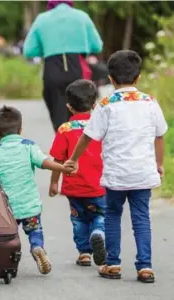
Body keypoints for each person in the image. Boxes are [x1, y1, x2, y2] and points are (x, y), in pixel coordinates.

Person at [64, 50, 168, 283]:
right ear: (138, 78)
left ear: (110, 79)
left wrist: (74, 159)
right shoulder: (150, 102)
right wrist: (158, 164)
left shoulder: (106, 104)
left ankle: (113, 264)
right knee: (141, 218)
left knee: (112, 216)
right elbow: (160, 136)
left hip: (116, 175)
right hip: (142, 173)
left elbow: (88, 136)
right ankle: (145, 267)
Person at [0, 106, 74, 275]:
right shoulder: (28, 146)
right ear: (21, 129)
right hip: (29, 206)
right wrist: (63, 168)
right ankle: (37, 247)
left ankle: (8, 261)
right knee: (35, 230)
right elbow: (45, 162)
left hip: (5, 208)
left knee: (8, 237)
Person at [49, 79, 106, 267]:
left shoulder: (65, 129)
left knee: (78, 219)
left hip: (73, 186)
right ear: (94, 105)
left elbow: (58, 159)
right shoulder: (101, 127)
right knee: (100, 214)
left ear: (69, 107)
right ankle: (98, 232)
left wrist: (54, 182)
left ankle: (84, 253)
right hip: (100, 185)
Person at [23, 0, 103, 132]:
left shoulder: (42, 19)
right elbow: (97, 45)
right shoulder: (81, 16)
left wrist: (48, 48)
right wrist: (82, 47)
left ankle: (63, 146)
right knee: (81, 113)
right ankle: (80, 147)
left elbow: (28, 50)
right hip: (77, 67)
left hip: (52, 68)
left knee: (58, 116)